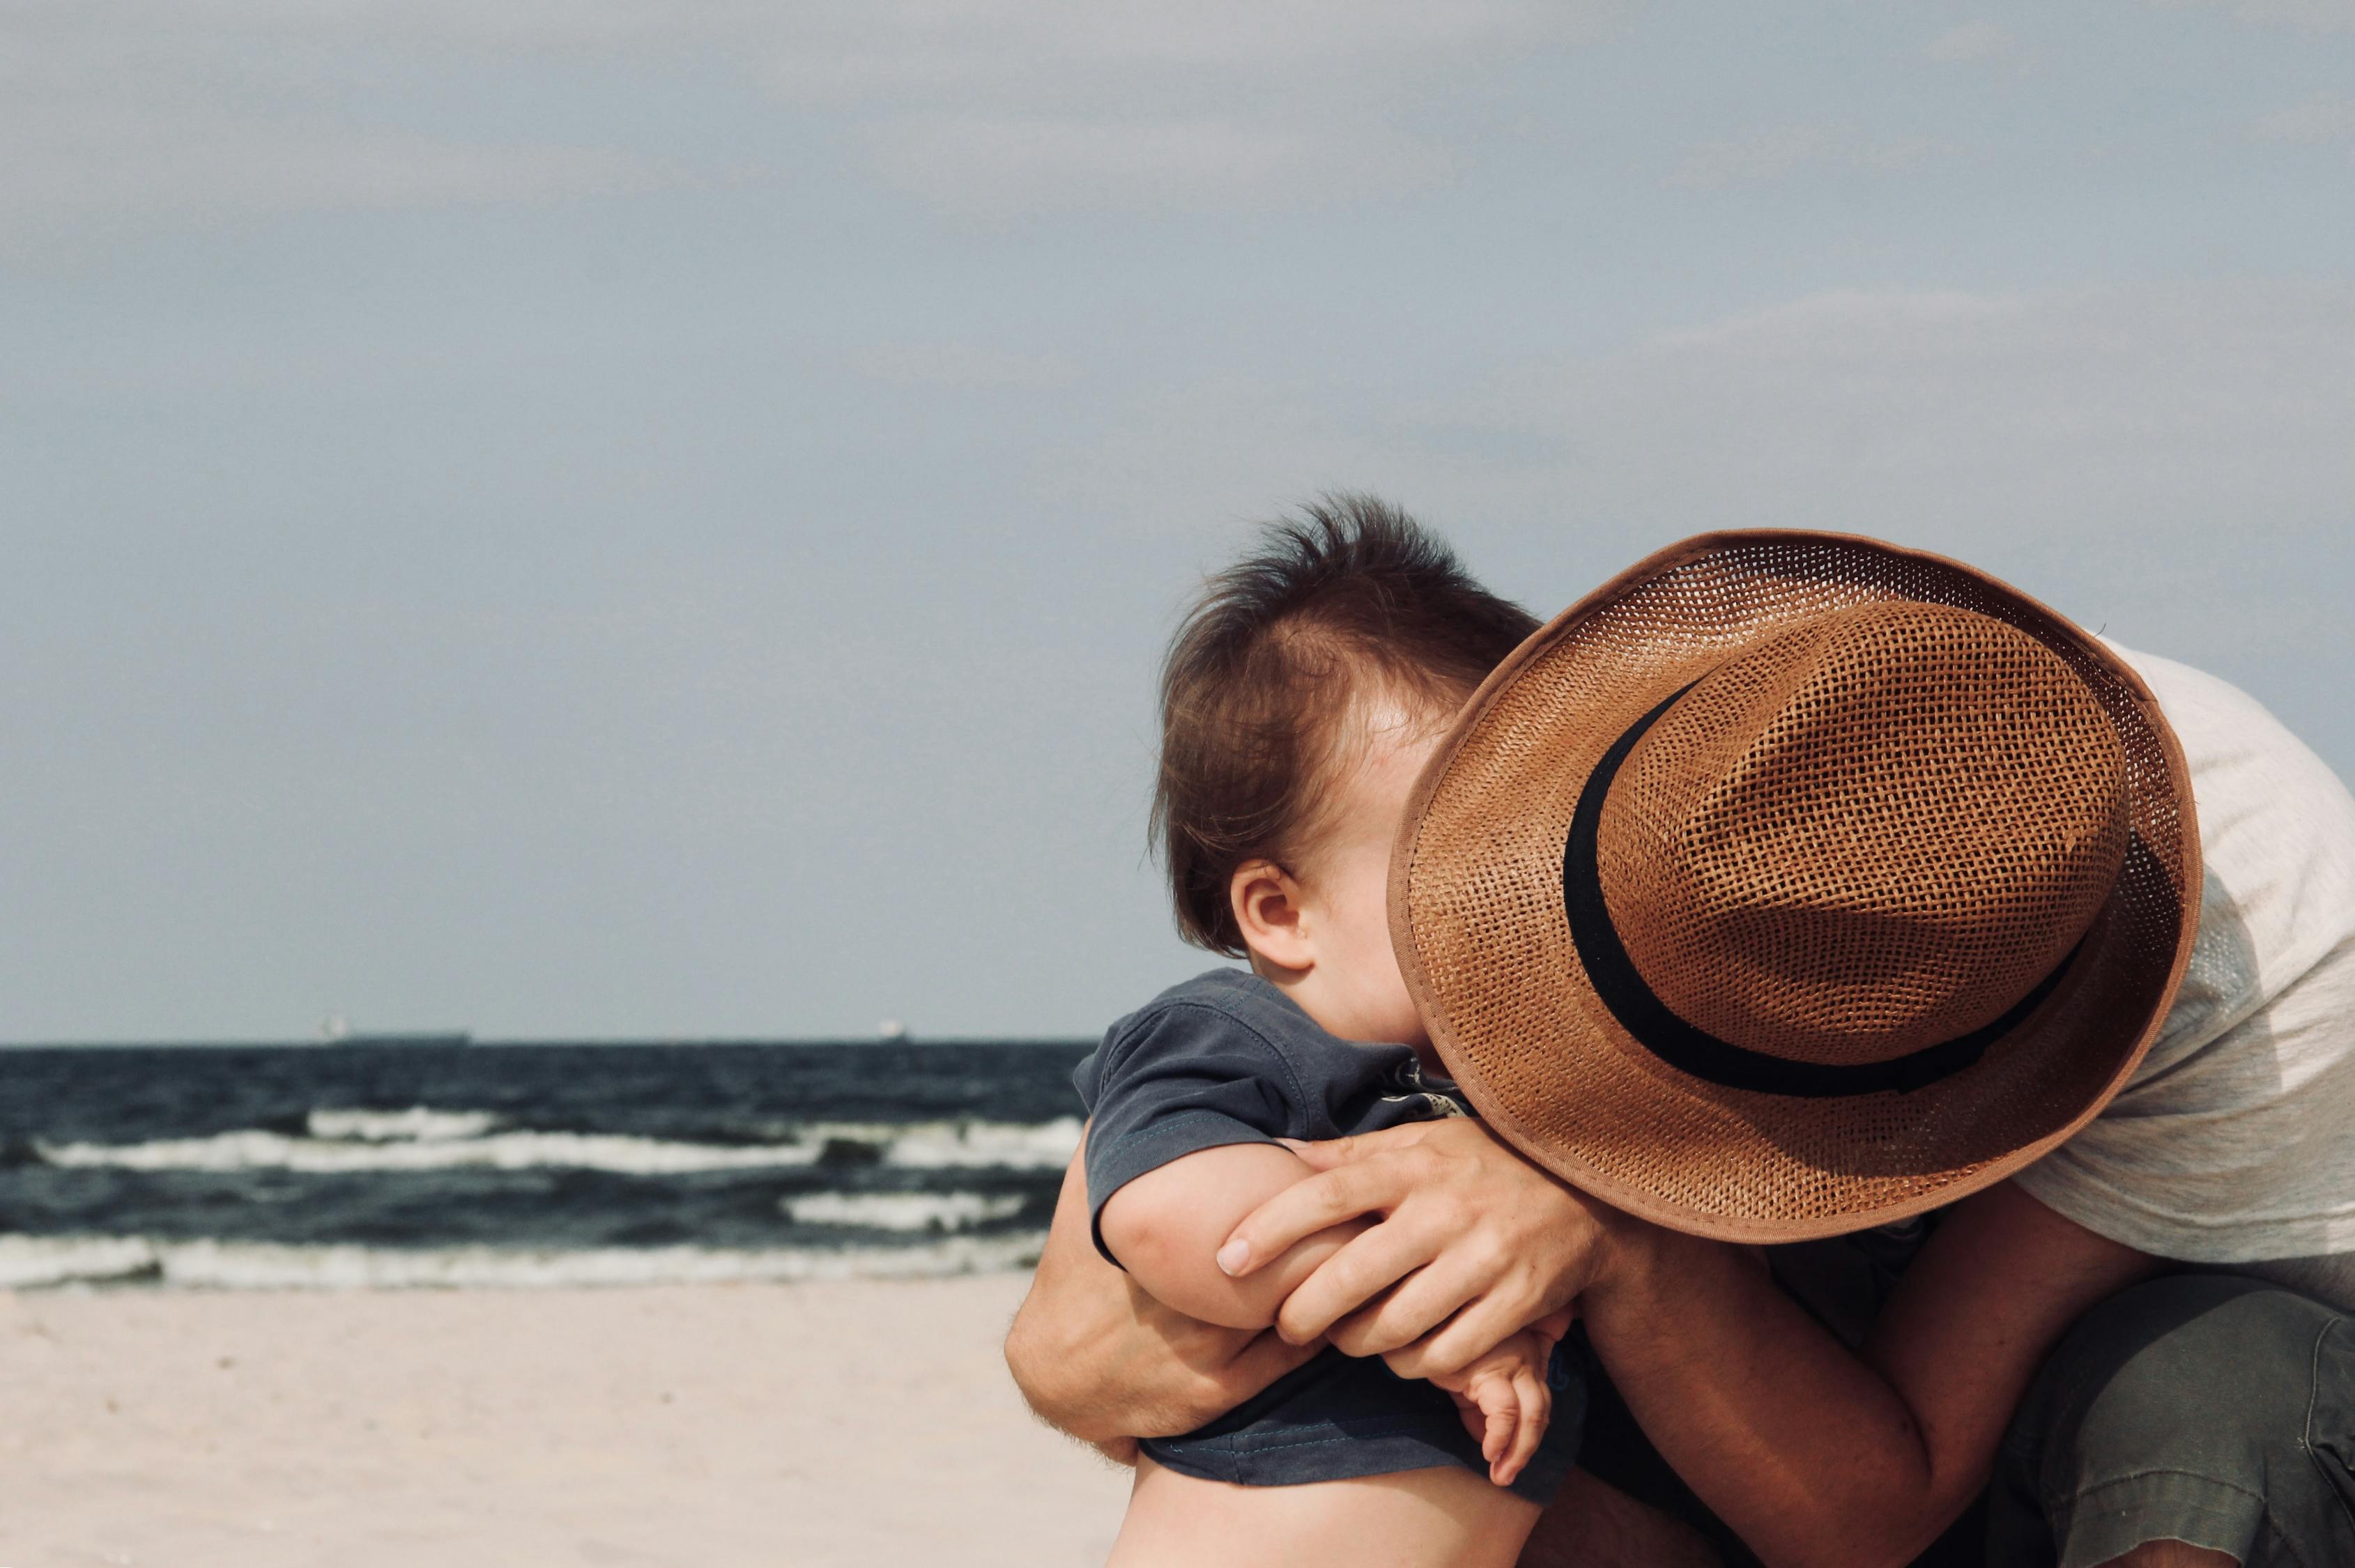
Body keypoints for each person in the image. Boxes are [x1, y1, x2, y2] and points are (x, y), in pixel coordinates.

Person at [1008, 525, 2355, 1568]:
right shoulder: (1752, 749)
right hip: (1800, 1369)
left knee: (2219, 1397)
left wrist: (1600, 1218)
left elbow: (1874, 1505)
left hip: (2056, 1398)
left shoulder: (2275, 964)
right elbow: (1117, 1268)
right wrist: (1067, 1339)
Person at [1073, 497, 1585, 1567]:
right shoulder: (1231, 1035)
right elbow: (1177, 1222)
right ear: (1279, 912)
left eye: (1542, 858)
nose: (1525, 902)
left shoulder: (1487, 1080)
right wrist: (1436, 1315)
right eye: (1467, 867)